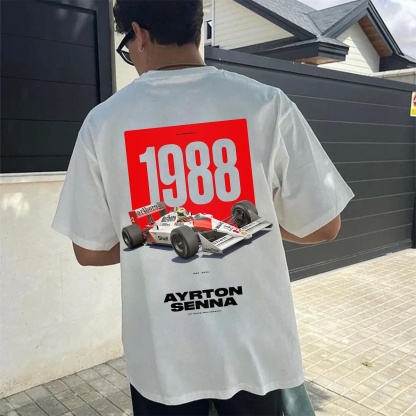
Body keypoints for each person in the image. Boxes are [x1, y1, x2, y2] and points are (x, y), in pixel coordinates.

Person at [52, 0, 354, 414]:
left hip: (164, 363)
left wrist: (146, 247)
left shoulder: (103, 124)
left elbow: (88, 250)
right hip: (257, 355)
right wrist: (260, 225)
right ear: (199, 26)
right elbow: (325, 226)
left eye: (128, 47)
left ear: (139, 34)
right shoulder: (267, 104)